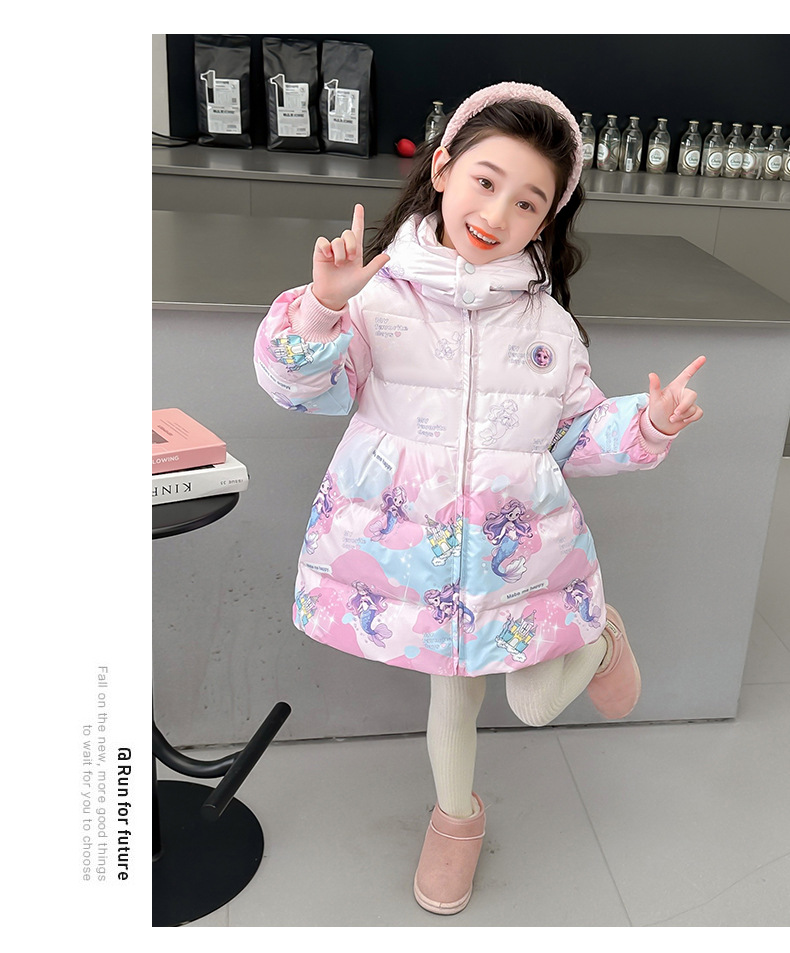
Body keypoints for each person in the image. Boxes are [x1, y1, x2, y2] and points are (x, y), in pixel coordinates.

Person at [253, 81, 705, 915]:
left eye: (528, 201)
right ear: (443, 168)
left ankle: (601, 636)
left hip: (516, 553)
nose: (498, 213)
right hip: (418, 556)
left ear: (546, 220)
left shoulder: (548, 329)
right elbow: (297, 388)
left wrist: (649, 423)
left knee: (532, 704)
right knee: (451, 694)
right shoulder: (375, 297)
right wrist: (321, 305)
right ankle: (454, 820)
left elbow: (575, 435)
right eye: (486, 181)